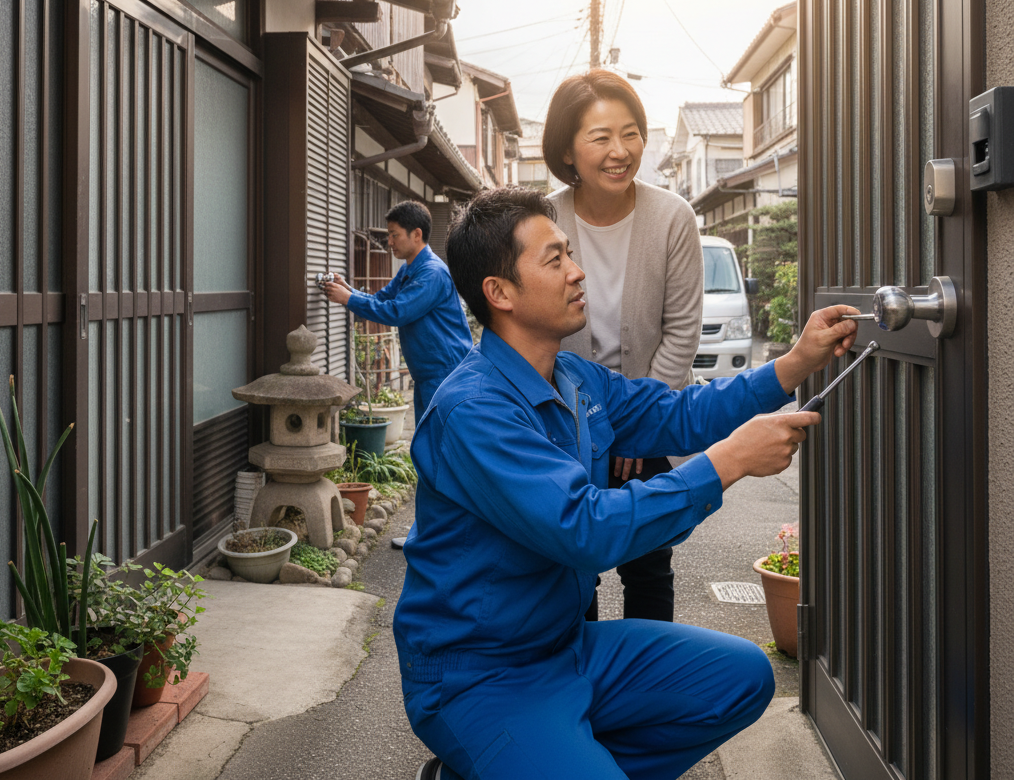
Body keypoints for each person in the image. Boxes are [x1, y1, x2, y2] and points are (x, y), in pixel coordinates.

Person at [397, 187, 859, 780]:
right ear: (500, 292)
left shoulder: (573, 377)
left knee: (743, 678)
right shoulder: (473, 410)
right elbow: (585, 529)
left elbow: (678, 413)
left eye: (570, 253)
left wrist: (794, 364)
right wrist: (728, 461)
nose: (577, 271)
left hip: (566, 647)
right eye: (555, 259)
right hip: (480, 676)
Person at [543, 69, 702, 622]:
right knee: (569, 568)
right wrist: (592, 425)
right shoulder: (543, 219)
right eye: (601, 136)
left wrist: (638, 424)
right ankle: (578, 670)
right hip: (564, 421)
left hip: (649, 412)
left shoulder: (673, 217)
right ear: (568, 149)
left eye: (630, 133)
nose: (620, 151)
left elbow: (681, 331)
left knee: (649, 565)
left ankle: (650, 672)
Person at [322, 200, 472, 424]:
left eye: (394, 235)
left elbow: (397, 312)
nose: (389, 242)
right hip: (428, 373)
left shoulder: (432, 273)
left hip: (445, 372)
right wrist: (348, 290)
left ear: (417, 234)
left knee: (442, 435)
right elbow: (381, 300)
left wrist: (348, 298)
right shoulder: (410, 268)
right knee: (429, 436)